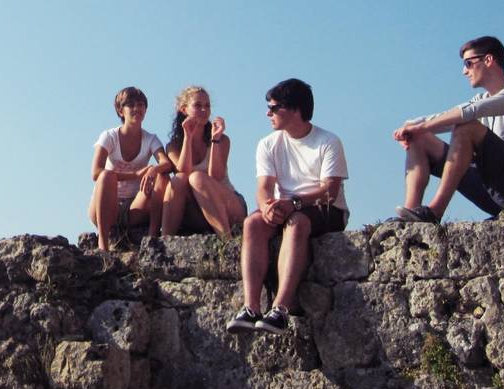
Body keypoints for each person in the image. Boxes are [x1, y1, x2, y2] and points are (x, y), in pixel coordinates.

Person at [227, 79, 349, 335]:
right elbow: (263, 187)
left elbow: (330, 191)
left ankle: (280, 309)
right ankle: (251, 307)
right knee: (253, 223)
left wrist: (294, 203)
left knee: (297, 223)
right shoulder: (268, 144)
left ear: (294, 110)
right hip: (285, 206)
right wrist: (266, 206)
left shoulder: (328, 141)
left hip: (324, 209)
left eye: (273, 107)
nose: (267, 113)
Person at [392, 36, 504, 223]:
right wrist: (412, 126)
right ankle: (409, 216)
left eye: (468, 63)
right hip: (491, 190)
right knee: (421, 138)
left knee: (466, 127)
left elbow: (471, 112)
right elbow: (448, 116)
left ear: (488, 60)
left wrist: (421, 126)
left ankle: (435, 211)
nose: (464, 71)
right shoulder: (480, 99)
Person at [88, 86, 173, 251]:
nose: (137, 108)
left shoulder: (151, 139)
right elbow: (96, 172)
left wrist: (153, 170)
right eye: (131, 105)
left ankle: (153, 237)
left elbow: (167, 163)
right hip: (106, 207)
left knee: (163, 176)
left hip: (135, 207)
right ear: (121, 111)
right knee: (106, 176)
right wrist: (135, 174)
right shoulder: (109, 136)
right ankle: (103, 245)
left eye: (141, 105)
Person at [160, 86, 247, 238]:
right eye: (197, 105)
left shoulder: (222, 140)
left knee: (197, 178)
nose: (204, 110)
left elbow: (216, 176)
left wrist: (215, 139)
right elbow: (184, 172)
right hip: (197, 211)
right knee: (179, 179)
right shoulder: (173, 146)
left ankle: (227, 241)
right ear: (184, 109)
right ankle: (165, 241)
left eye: (207, 106)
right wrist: (188, 136)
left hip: (228, 206)